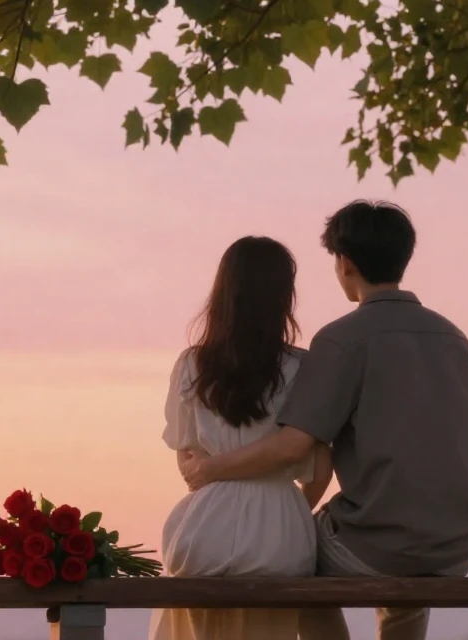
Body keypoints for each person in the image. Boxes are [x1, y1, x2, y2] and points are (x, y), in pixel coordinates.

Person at [180, 201, 468, 640]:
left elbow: (293, 445)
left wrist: (209, 469)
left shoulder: (343, 340)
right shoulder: (454, 338)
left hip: (379, 546)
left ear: (344, 264)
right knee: (403, 572)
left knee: (291, 550)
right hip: (457, 547)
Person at [150, 236, 335, 640]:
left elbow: (189, 461)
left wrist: (214, 474)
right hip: (280, 525)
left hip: (206, 523)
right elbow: (320, 470)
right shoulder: (303, 368)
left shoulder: (191, 365)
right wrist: (289, 509)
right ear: (284, 296)